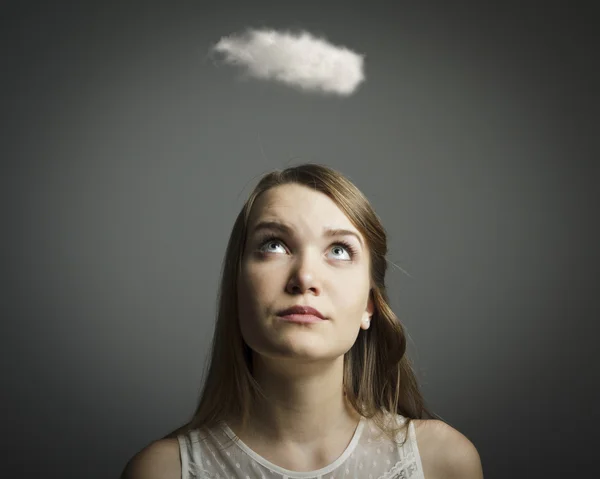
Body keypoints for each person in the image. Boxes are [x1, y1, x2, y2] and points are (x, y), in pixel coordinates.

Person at [121, 163, 483, 479]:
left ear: (369, 305)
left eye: (339, 250)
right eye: (274, 245)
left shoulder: (442, 463)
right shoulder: (163, 472)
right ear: (237, 288)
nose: (305, 277)